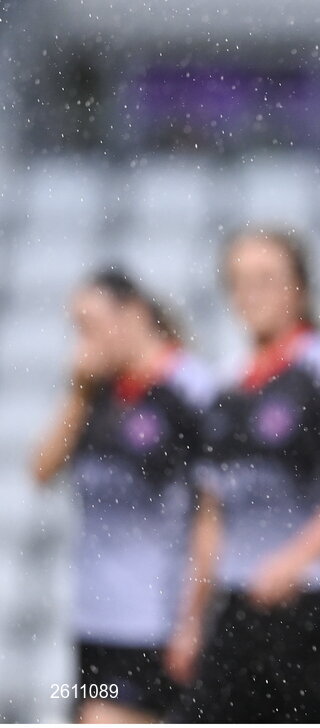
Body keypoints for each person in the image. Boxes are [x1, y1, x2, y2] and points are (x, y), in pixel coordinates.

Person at [176, 228, 320, 723]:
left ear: (300, 289)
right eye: (240, 281)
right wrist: (191, 618)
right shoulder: (224, 384)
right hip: (239, 609)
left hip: (318, 608)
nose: (251, 294)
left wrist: (292, 562)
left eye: (266, 280)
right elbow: (212, 510)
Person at [33, 268, 213, 723]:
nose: (83, 342)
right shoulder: (95, 391)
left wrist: (191, 620)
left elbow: (214, 511)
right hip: (94, 619)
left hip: (153, 620)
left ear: (134, 314)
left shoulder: (190, 389)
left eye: (90, 326)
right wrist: (77, 392)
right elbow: (41, 470)